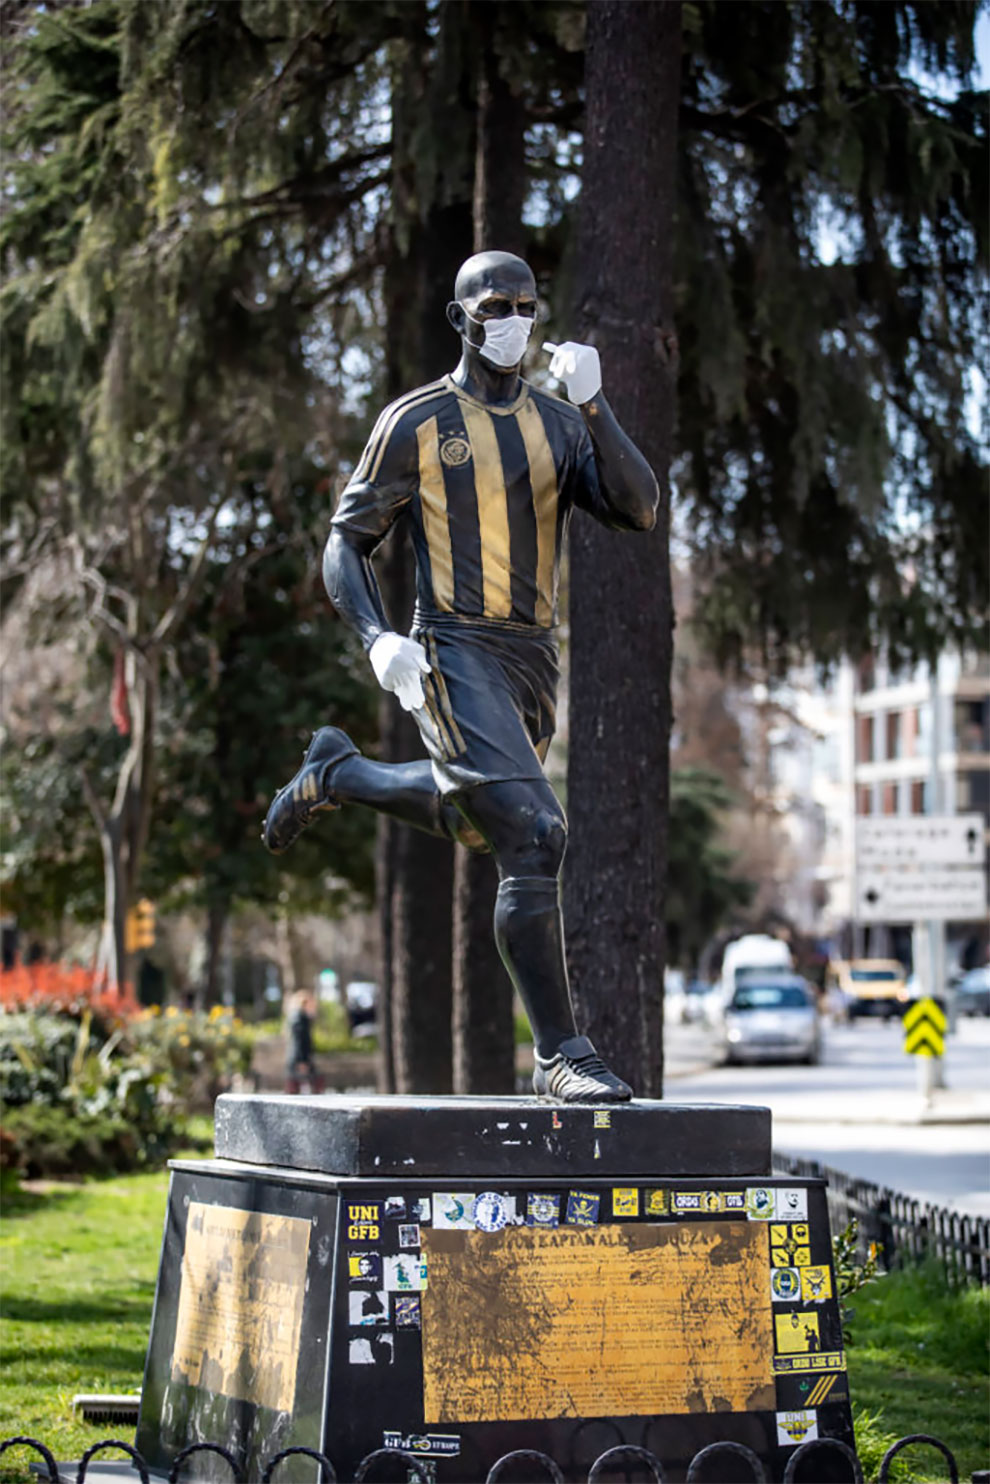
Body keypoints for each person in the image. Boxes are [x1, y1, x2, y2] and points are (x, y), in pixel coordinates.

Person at [264, 250, 658, 1101]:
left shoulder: (558, 423)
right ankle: (562, 1055)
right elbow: (346, 543)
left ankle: (339, 774)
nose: (513, 320)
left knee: (476, 817)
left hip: (530, 656)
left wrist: (595, 403)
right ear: (462, 319)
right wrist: (375, 637)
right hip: (449, 642)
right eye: (495, 307)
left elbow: (637, 506)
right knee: (535, 834)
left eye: (525, 305)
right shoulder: (415, 421)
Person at [285, 989, 321, 1094]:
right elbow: (299, 1041)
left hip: (299, 1058)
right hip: (299, 1059)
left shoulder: (300, 1017)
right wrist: (302, 1061)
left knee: (297, 1088)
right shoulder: (299, 1019)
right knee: (298, 1089)